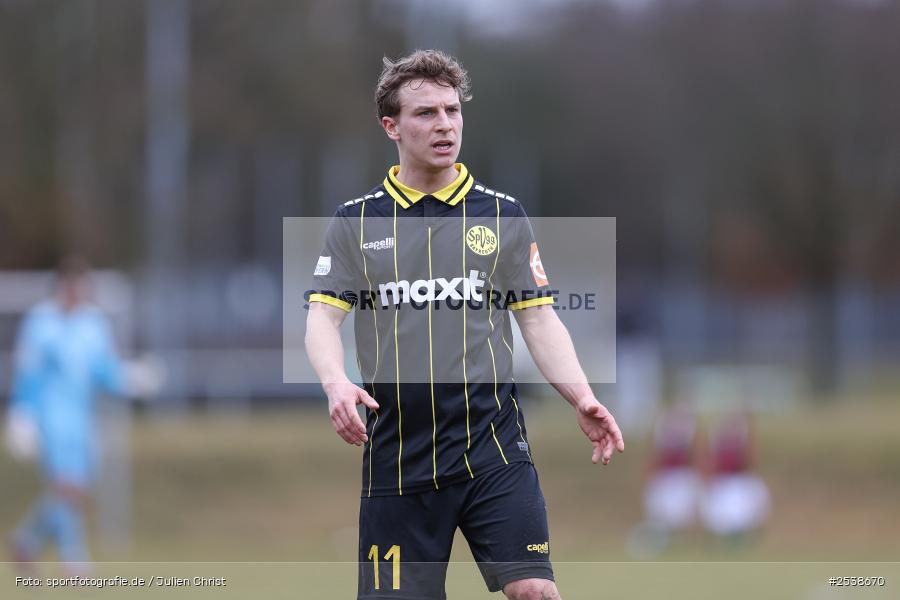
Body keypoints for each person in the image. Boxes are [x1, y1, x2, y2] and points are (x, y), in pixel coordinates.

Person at [305, 50, 624, 600]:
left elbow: (540, 319)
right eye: (426, 113)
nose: (445, 124)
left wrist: (581, 396)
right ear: (392, 126)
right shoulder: (356, 221)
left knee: (535, 591)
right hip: (399, 458)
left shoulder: (501, 215)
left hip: (492, 448)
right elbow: (322, 318)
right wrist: (335, 381)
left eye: (452, 110)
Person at [7, 257, 132, 574]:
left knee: (76, 488)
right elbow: (29, 371)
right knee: (65, 483)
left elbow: (103, 369)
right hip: (51, 414)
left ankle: (27, 541)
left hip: (82, 416)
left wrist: (131, 377)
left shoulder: (93, 323)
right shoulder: (41, 322)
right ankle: (73, 559)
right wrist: (22, 413)